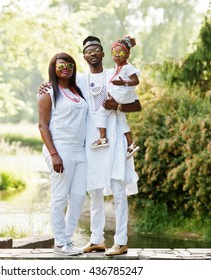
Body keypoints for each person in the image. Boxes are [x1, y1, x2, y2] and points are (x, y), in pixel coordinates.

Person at [76, 36, 141, 256]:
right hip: (92, 141)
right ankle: (96, 240)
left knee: (118, 189)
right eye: (88, 50)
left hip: (114, 139)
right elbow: (59, 88)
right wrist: (46, 85)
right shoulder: (80, 80)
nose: (93, 53)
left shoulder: (114, 74)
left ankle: (121, 241)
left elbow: (137, 104)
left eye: (96, 49)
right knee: (94, 189)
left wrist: (118, 105)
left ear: (103, 54)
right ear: (84, 56)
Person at [37, 52, 87, 256]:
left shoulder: (77, 90)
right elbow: (42, 125)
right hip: (60, 150)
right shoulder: (47, 91)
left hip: (80, 151)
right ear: (53, 68)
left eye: (69, 64)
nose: (65, 67)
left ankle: (67, 239)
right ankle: (59, 243)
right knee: (60, 197)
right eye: (60, 65)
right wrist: (54, 153)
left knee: (78, 197)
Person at [91, 36, 140, 159]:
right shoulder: (117, 68)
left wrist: (124, 83)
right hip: (120, 97)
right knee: (121, 120)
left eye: (121, 53)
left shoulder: (127, 67)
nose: (117, 55)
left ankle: (102, 138)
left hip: (120, 96)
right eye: (114, 53)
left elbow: (136, 80)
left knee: (100, 112)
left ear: (127, 55)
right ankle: (131, 144)